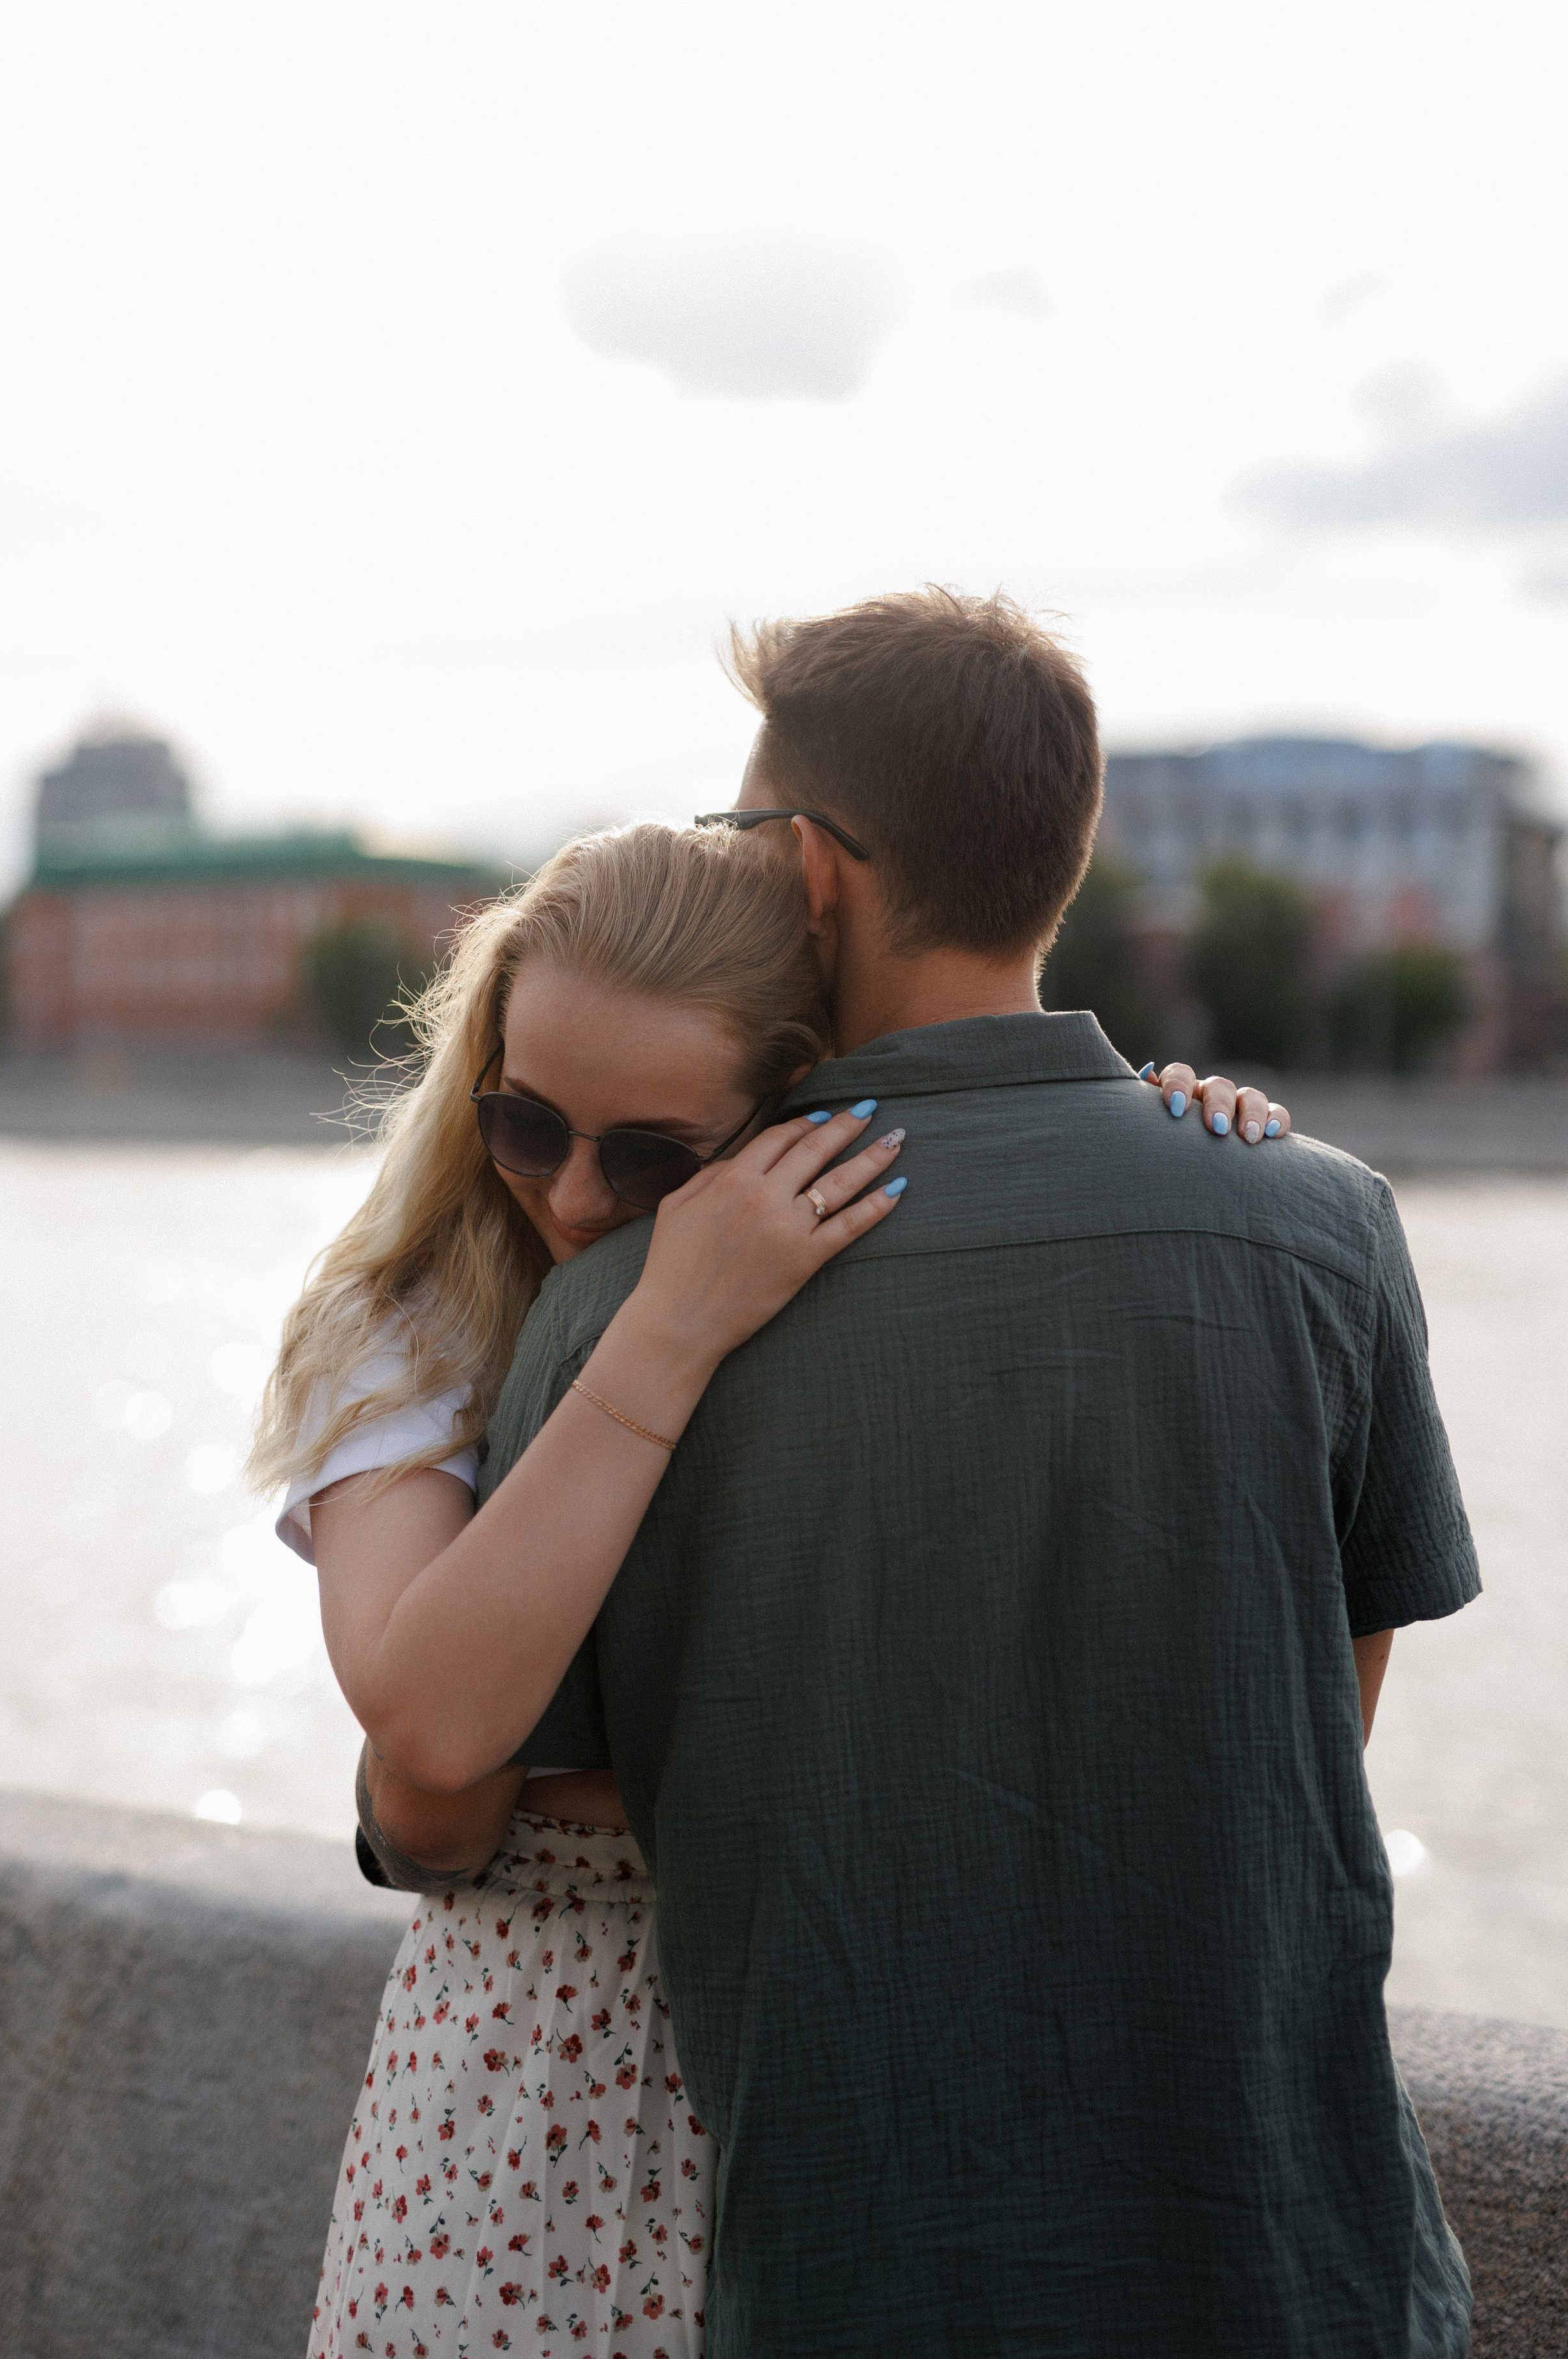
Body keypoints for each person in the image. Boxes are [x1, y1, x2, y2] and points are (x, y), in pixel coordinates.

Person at [468, 590, 1480, 2358]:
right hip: (1318, 2278)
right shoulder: (1328, 1226)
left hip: (871, 2272)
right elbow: (1332, 1699)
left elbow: (507, 1793)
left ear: (810, 867)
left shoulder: (635, 1310)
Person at [252, 813, 1283, 2359]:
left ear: (792, 1105)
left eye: (654, 1153)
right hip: (550, 2076)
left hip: (893, 2055)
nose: (580, 1197)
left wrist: (1150, 1132)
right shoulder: (407, 1321)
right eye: (527, 1123)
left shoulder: (873, 1256)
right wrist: (660, 1332)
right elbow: (438, 1728)